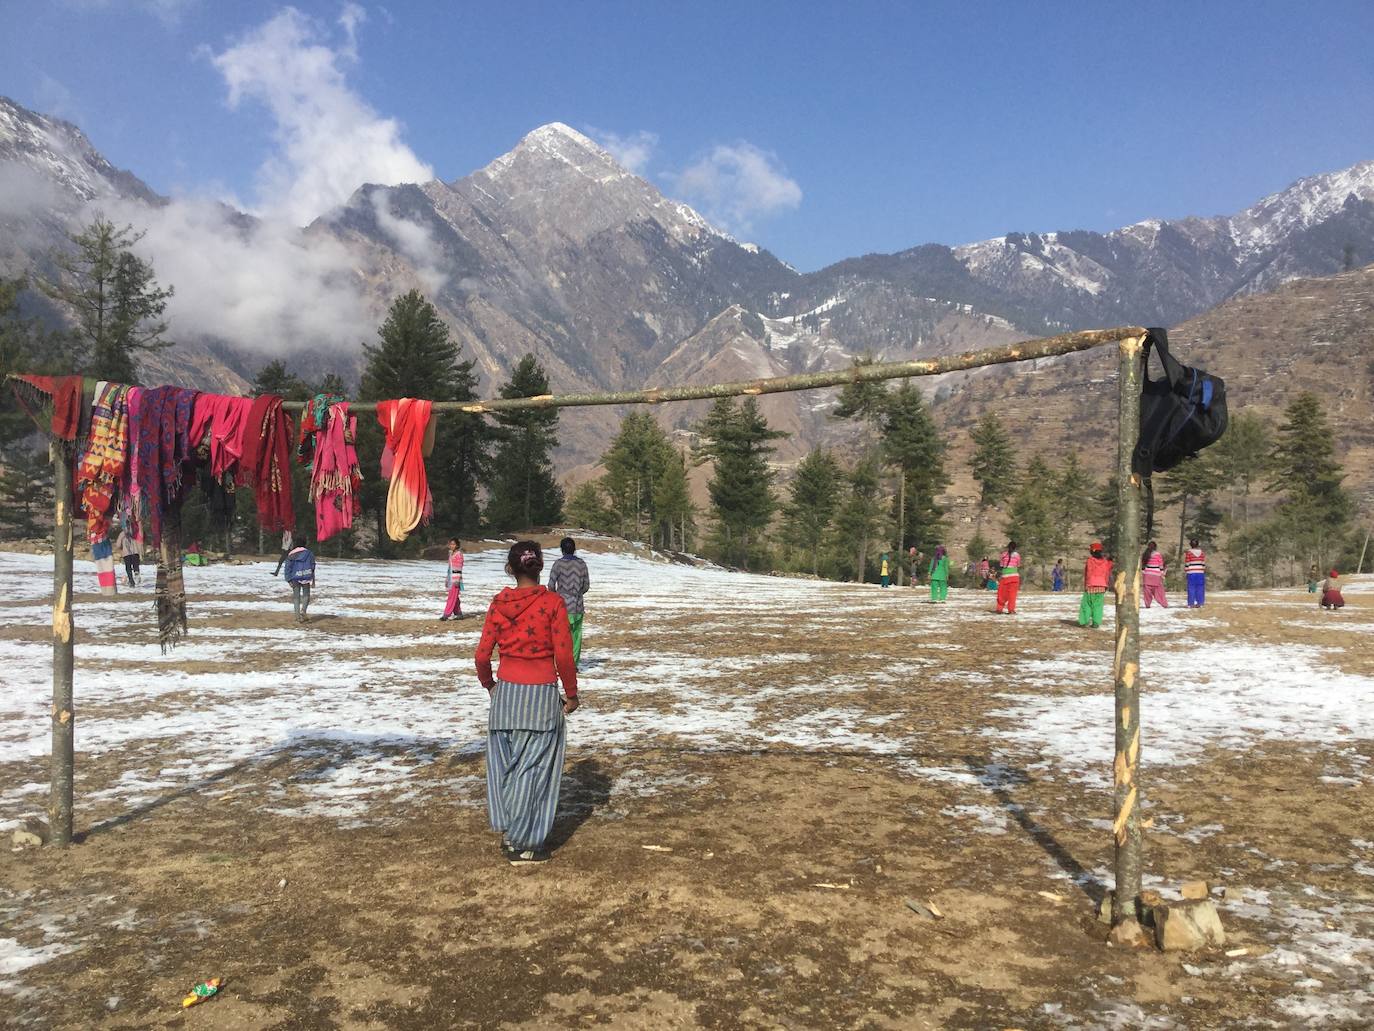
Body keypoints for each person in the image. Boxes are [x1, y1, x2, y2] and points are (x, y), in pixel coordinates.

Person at [475, 541, 579, 865]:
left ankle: (510, 833)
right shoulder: (553, 604)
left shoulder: (498, 604)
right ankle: (524, 843)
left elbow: (481, 655)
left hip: (506, 697)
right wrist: (572, 694)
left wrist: (490, 685)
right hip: (541, 698)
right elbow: (563, 653)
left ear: (510, 568)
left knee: (507, 768)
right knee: (533, 772)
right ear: (541, 567)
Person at [547, 537, 591, 665]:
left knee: (560, 636)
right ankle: (574, 663)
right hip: (577, 606)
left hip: (562, 606)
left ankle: (561, 662)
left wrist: (556, 597)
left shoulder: (558, 564)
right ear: (574, 549)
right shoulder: (582, 564)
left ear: (562, 550)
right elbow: (586, 585)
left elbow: (550, 585)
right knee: (576, 636)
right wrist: (577, 594)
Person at [1078, 541, 1113, 628]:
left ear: (1092, 551)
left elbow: (1088, 573)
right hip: (1102, 586)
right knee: (1098, 605)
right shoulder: (1105, 562)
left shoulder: (1090, 561)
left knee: (1087, 604)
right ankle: (1096, 623)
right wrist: (1106, 585)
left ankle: (1084, 621)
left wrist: (1086, 584)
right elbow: (1107, 571)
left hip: (1091, 585)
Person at [284, 538, 316, 623]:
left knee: (296, 597)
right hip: (306, 576)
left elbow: (287, 567)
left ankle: (297, 617)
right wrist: (313, 579)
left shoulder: (291, 554)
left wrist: (288, 579)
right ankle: (303, 611)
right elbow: (312, 566)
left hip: (295, 577)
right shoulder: (309, 553)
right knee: (306, 595)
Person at [440, 538, 465, 621]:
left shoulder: (458, 554)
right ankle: (458, 613)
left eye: (453, 544)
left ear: (457, 545)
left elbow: (459, 567)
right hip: (451, 577)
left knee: (451, 596)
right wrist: (447, 578)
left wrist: (457, 579)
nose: (452, 546)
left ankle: (446, 614)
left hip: (455, 579)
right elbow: (450, 567)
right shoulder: (451, 553)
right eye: (450, 544)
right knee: (454, 596)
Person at [996, 540, 1021, 614]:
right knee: (1012, 595)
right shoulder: (1017, 555)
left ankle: (999, 609)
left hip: (1005, 577)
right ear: (1015, 548)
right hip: (1014, 577)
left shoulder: (1003, 555)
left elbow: (1001, 565)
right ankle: (1011, 610)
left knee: (1001, 594)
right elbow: (1018, 565)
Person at [1141, 540, 1168, 608]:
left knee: (1147, 590)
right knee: (1158, 590)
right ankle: (1163, 603)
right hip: (1156, 574)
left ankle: (1147, 604)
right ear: (1155, 547)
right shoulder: (1158, 554)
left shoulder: (1145, 554)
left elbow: (1143, 565)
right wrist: (1162, 573)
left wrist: (1143, 572)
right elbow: (1160, 565)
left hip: (1147, 574)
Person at [1184, 538, 1207, 608]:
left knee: (1191, 587)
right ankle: (1200, 603)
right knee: (1200, 587)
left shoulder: (1189, 552)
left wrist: (1186, 570)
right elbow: (1203, 563)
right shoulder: (1202, 553)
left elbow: (1187, 563)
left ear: (1190, 545)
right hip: (1200, 572)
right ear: (1198, 544)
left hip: (1191, 572)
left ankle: (1191, 603)